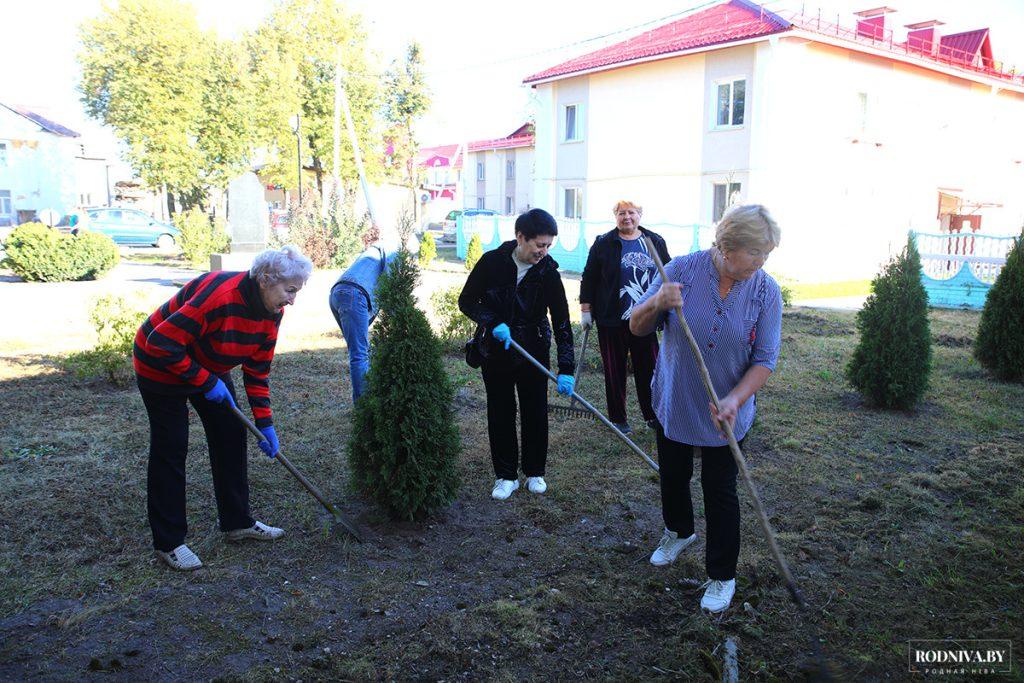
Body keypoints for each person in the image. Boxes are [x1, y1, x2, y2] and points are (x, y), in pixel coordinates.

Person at [629, 205, 782, 613]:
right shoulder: (681, 269)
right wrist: (656, 303)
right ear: (727, 246)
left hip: (727, 411)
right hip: (677, 398)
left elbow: (765, 358)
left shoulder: (765, 290)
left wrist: (736, 398)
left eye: (767, 254)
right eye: (755, 253)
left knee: (720, 491)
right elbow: (636, 326)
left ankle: (721, 575)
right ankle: (679, 532)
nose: (761, 262)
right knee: (674, 476)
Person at [134, 245, 313, 571]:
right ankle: (169, 542)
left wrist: (266, 423)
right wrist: (205, 381)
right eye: (290, 290)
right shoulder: (221, 296)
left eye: (296, 292)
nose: (292, 300)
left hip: (206, 366)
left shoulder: (272, 313)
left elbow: (257, 370)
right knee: (171, 446)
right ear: (266, 280)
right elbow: (161, 342)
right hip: (159, 364)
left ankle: (237, 522)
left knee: (231, 433)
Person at [459, 208, 576, 500]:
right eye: (539, 245)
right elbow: (467, 300)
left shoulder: (547, 272)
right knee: (501, 412)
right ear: (520, 237)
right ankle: (506, 476)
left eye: (549, 245)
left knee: (535, 412)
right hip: (496, 350)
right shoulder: (492, 263)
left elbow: (562, 320)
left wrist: (567, 368)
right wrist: (492, 321)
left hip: (533, 349)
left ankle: (535, 472)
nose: (544, 251)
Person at [580, 200, 670, 435]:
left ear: (640, 214)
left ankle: (652, 415)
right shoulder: (604, 243)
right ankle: (618, 419)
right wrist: (586, 310)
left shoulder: (654, 241)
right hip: (612, 318)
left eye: (632, 212)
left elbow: (668, 272)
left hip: (646, 316)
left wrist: (667, 308)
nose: (627, 217)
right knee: (614, 369)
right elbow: (589, 277)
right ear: (615, 217)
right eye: (621, 213)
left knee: (649, 369)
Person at [328, 226, 401, 403]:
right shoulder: (390, 246)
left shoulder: (370, 251)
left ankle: (365, 397)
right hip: (354, 295)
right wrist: (398, 316)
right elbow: (390, 282)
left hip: (337, 294)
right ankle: (363, 407)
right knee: (360, 353)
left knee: (359, 351)